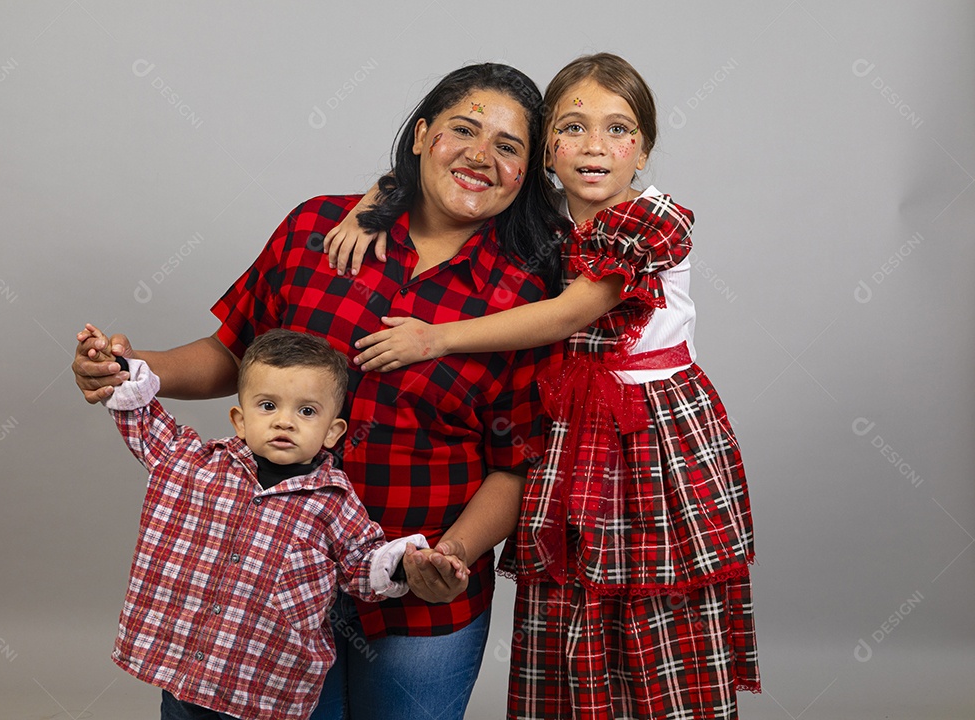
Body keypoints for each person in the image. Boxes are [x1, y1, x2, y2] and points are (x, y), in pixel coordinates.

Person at [72, 63, 562, 720]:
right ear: (421, 136)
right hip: (268, 579)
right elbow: (233, 354)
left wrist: (450, 555)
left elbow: (516, 464)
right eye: (462, 130)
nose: (481, 156)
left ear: (528, 171)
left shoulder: (528, 300)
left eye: (508, 146)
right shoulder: (318, 230)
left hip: (417, 603)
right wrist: (136, 368)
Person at [337, 53, 760, 719]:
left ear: (643, 149)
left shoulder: (656, 222)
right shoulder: (548, 219)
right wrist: (370, 208)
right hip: (570, 432)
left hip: (649, 434)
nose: (596, 146)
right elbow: (425, 171)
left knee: (653, 599)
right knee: (573, 597)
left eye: (619, 130)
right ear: (545, 153)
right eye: (571, 128)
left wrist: (436, 337)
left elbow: (568, 313)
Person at [87, 325, 459, 719]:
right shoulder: (194, 464)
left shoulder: (333, 502)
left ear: (332, 432)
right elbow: (145, 423)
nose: (285, 422)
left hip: (265, 688)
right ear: (240, 419)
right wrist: (114, 365)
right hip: (186, 677)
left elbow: (363, 564)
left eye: (307, 411)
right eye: (268, 406)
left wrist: (406, 561)